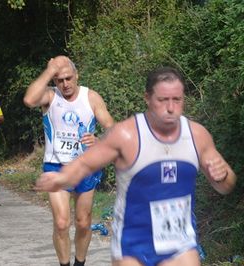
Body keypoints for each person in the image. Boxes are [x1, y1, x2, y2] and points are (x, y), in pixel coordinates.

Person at [35, 66, 237, 266]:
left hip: (180, 244)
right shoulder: (127, 135)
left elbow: (226, 185)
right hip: (133, 247)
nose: (170, 107)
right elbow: (84, 164)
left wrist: (222, 176)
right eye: (162, 100)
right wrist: (61, 178)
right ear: (147, 98)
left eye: (177, 99)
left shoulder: (197, 135)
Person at [23, 55, 114, 266]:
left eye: (68, 78)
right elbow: (28, 100)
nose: (65, 84)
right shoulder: (50, 97)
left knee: (83, 223)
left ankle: (79, 263)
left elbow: (111, 127)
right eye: (59, 80)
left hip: (85, 167)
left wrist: (99, 140)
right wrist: (49, 71)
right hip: (55, 166)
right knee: (62, 223)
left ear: (76, 76)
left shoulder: (91, 97)